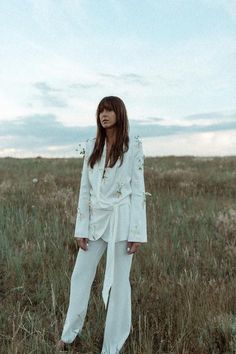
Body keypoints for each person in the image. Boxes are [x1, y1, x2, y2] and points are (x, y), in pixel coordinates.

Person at [56, 96, 149, 353]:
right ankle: (68, 335)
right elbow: (84, 190)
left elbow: (139, 191)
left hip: (122, 221)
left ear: (119, 113)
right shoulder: (91, 145)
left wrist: (137, 232)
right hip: (95, 222)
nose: (103, 115)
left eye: (108, 110)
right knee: (79, 276)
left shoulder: (133, 147)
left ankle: (112, 346)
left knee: (120, 284)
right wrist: (81, 228)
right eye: (100, 111)